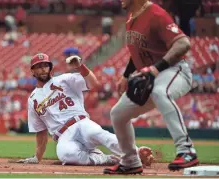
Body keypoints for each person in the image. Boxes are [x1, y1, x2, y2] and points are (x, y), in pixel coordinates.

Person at [103, 0, 199, 174]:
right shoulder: (131, 16)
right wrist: (125, 75)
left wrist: (155, 69)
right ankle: (130, 160)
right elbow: (138, 51)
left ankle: (187, 151)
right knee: (118, 114)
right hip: (150, 77)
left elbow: (183, 43)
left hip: (174, 70)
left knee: (160, 92)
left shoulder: (156, 14)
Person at [18, 53, 154, 166]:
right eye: (38, 66)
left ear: (50, 67)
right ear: (32, 71)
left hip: (81, 123)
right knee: (66, 155)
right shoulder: (33, 99)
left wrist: (80, 66)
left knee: (103, 135)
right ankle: (104, 158)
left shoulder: (64, 79)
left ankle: (137, 153)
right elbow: (41, 132)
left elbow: (93, 83)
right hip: (63, 135)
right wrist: (37, 157)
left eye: (45, 65)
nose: (43, 69)